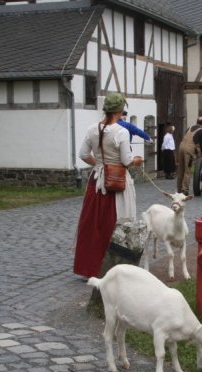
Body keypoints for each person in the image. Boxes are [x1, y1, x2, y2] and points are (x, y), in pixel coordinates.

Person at [73, 92, 143, 278]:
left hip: (96, 182)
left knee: (92, 223)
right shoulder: (121, 132)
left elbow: (82, 154)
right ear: (120, 110)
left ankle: (89, 268)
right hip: (116, 183)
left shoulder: (91, 129)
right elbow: (126, 161)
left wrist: (98, 164)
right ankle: (114, 267)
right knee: (114, 222)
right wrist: (137, 160)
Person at [176, 116, 202, 195]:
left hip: (181, 146)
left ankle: (179, 189)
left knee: (181, 169)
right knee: (187, 170)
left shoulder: (189, 128)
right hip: (188, 150)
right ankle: (185, 190)